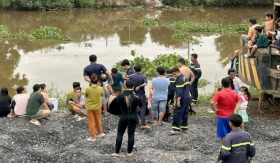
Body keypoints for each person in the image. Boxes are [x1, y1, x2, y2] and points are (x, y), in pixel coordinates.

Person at [111, 80, 143, 157]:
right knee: (131, 134)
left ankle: (117, 152)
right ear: (133, 87)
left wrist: (118, 112)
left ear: (125, 86)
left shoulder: (120, 96)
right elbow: (141, 105)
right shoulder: (136, 97)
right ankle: (129, 152)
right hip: (133, 116)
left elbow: (112, 106)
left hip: (123, 116)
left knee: (120, 133)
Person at [211, 78, 242, 143]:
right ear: (230, 84)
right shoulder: (234, 93)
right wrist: (235, 110)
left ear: (221, 85)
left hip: (221, 116)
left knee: (223, 134)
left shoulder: (219, 93)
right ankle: (233, 147)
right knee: (233, 133)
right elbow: (239, 101)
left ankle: (225, 149)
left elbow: (212, 102)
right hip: (231, 116)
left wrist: (215, 110)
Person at [85, 74, 106, 142]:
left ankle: (93, 137)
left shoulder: (87, 89)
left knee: (91, 122)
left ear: (90, 81)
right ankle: (100, 133)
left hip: (89, 107)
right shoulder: (100, 88)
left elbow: (86, 95)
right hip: (98, 106)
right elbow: (102, 95)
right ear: (97, 81)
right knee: (98, 120)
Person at [128, 65, 150, 129]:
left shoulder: (132, 76)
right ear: (141, 69)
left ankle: (136, 122)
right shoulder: (144, 76)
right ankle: (143, 123)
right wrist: (139, 86)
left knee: (134, 108)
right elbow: (145, 84)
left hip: (134, 94)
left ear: (134, 70)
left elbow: (128, 83)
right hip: (141, 94)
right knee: (142, 109)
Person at [171, 67, 191, 135]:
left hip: (182, 99)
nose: (174, 76)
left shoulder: (179, 80)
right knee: (185, 113)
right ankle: (184, 128)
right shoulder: (185, 78)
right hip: (187, 97)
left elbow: (179, 92)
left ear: (177, 72)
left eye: (174, 74)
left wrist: (177, 101)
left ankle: (176, 129)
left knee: (177, 113)